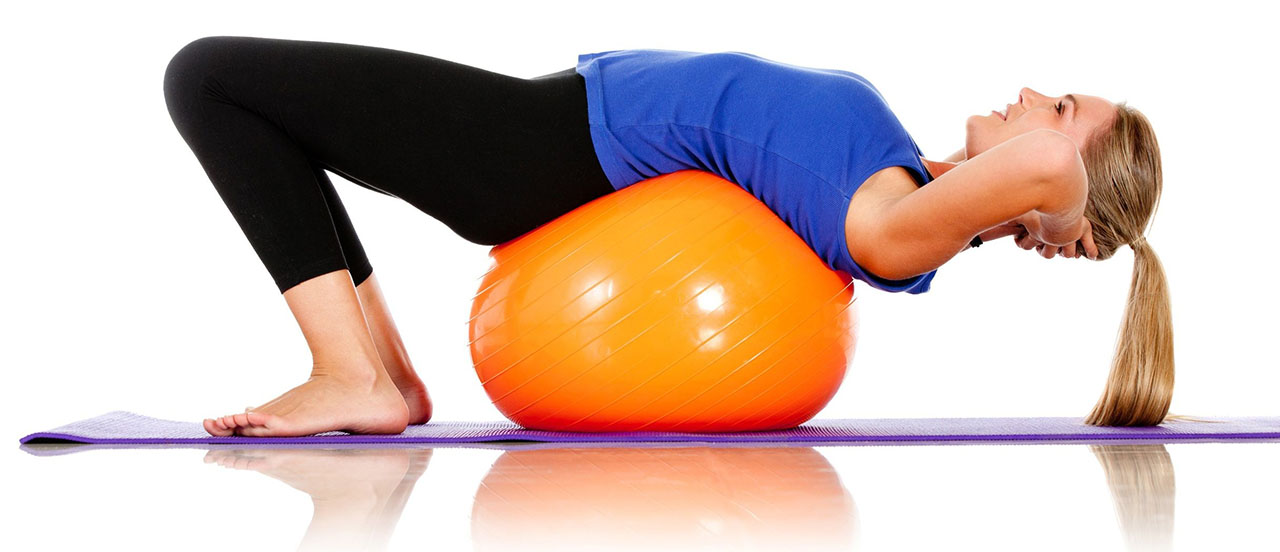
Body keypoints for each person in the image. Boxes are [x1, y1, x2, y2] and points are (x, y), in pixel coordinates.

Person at [163, 37, 1171, 438]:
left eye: (1062, 105)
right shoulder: (905, 180)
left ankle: (352, 374)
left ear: (1059, 190)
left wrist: (1072, 218)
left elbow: (1046, 173)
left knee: (206, 76)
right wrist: (1054, 207)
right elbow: (1041, 167)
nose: (1035, 92)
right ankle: (379, 375)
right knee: (258, 109)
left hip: (538, 149)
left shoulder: (898, 232)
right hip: (545, 126)